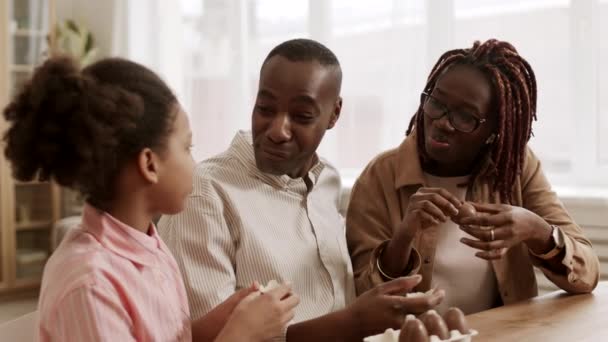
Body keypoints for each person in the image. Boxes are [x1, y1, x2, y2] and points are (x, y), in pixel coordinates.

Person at [159, 38, 444, 341]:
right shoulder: (205, 192)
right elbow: (211, 338)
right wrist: (352, 322)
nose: (278, 131)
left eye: (302, 117)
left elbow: (337, 300)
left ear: (334, 114)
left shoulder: (326, 181)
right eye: (265, 108)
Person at [2, 56, 298, 341]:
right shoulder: (91, 286)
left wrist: (227, 319)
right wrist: (241, 334)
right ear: (150, 164)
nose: (194, 163)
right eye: (187, 147)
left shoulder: (148, 245)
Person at [346, 39, 600, 315]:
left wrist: (536, 230)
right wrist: (404, 237)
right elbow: (361, 299)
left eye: (465, 117)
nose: (442, 122)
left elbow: (587, 274)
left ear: (494, 130)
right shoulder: (380, 176)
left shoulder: (515, 167)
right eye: (436, 103)